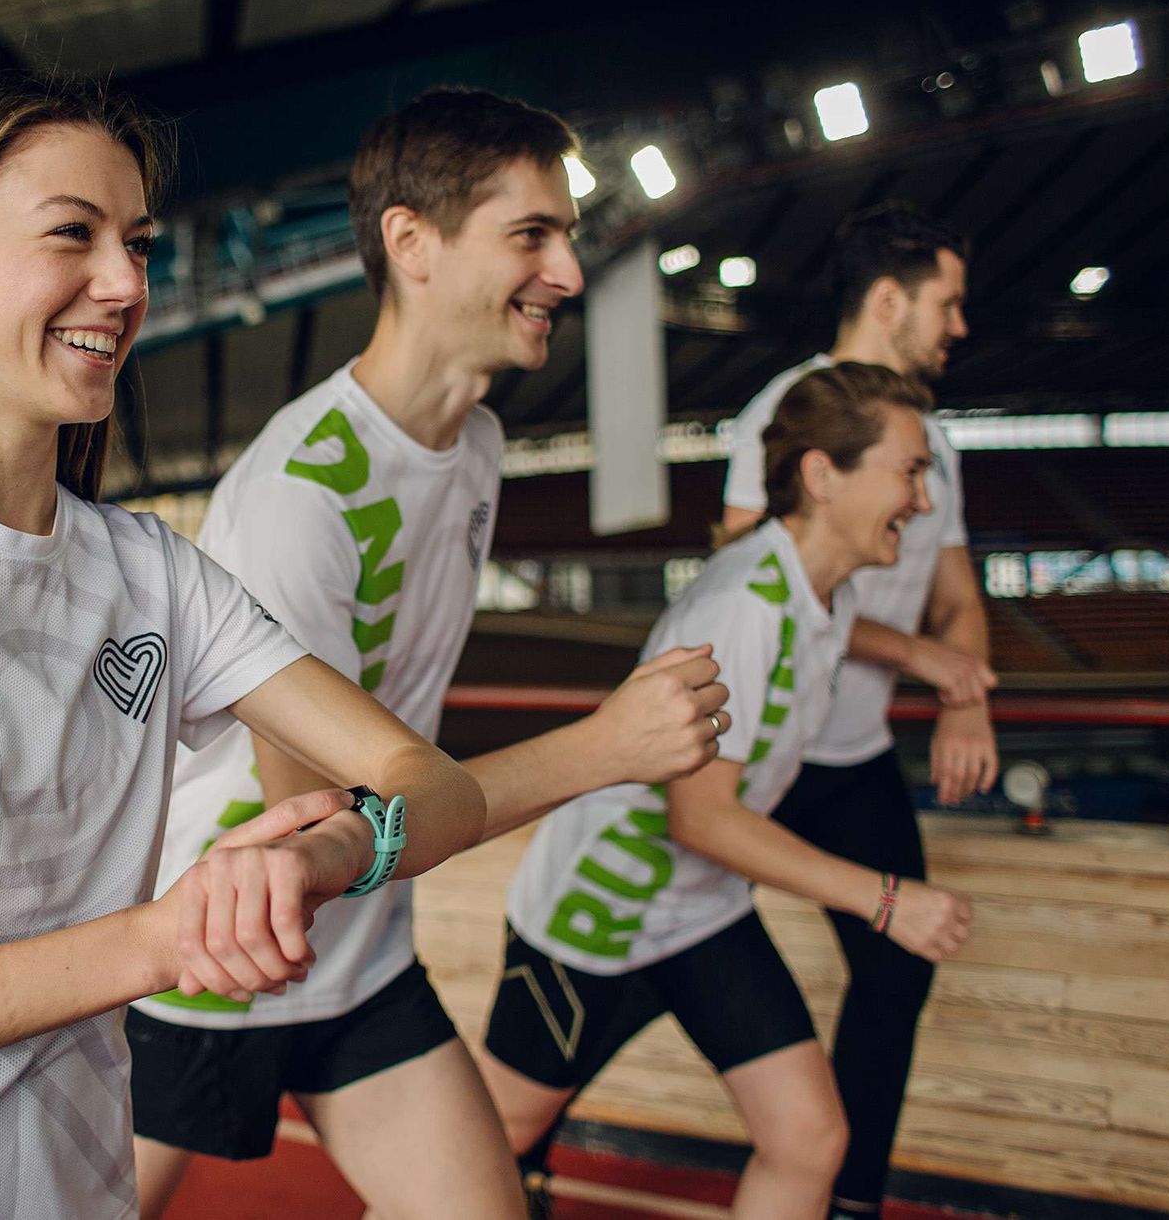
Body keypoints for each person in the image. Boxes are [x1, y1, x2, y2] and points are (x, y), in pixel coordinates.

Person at [0, 73, 516, 1220]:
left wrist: (312, 863)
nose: (124, 283)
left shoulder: (148, 573)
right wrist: (167, 937)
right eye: (71, 233)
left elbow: (434, 787)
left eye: (137, 243)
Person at [129, 88, 730, 1220]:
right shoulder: (302, 491)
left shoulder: (479, 442)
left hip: (359, 956)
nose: (564, 271)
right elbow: (321, 829)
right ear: (411, 242)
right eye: (529, 236)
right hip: (217, 953)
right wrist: (603, 747)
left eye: (564, 235)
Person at [479, 362, 976, 1220]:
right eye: (910, 471)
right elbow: (702, 817)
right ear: (823, 477)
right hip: (598, 917)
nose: (924, 501)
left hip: (699, 913)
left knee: (811, 1139)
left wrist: (934, 662)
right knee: (478, 1153)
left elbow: (845, 629)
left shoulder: (811, 583)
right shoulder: (743, 605)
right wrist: (884, 901)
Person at [717, 202, 995, 1219]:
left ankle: (847, 1197)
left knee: (895, 969)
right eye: (945, 303)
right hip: (754, 758)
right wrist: (922, 655)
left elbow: (959, 596)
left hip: (850, 752)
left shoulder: (931, 444)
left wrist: (961, 693)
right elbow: (753, 572)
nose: (957, 326)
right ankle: (524, 1128)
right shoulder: (784, 415)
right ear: (888, 300)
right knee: (652, 945)